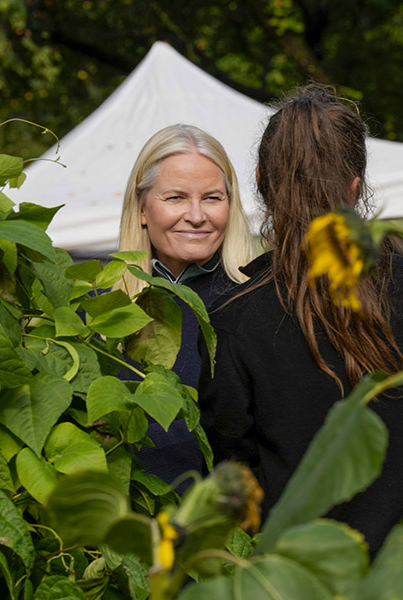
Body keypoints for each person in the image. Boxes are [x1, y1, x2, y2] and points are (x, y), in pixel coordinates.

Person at [198, 87, 403, 556]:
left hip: (301, 573)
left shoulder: (235, 316)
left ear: (260, 183)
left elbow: (231, 472)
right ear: (356, 186)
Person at [117, 124, 254, 489]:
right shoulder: (100, 305)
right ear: (142, 208)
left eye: (212, 198)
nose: (196, 215)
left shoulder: (256, 304)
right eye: (175, 197)